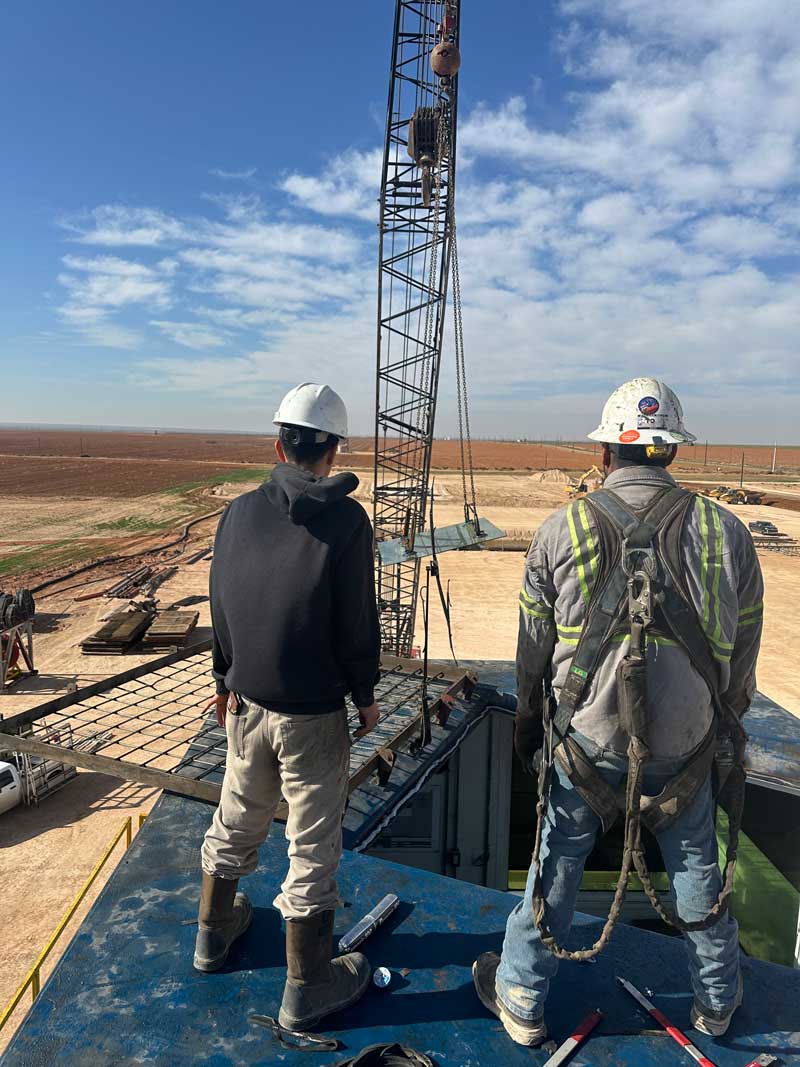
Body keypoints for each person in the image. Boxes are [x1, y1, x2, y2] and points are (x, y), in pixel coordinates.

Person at [473, 378, 763, 1046]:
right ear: (672, 452)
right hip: (688, 747)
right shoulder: (727, 533)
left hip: (586, 746)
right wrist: (724, 723)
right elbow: (744, 648)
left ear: (605, 452)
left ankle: (522, 998)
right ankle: (717, 1002)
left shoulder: (561, 529)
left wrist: (530, 729)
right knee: (696, 869)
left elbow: (532, 652)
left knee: (556, 866)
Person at [194, 382, 382, 1032]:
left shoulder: (237, 513)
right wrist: (365, 694)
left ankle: (212, 934)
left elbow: (220, 602)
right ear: (332, 452)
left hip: (246, 703)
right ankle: (307, 986)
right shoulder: (347, 522)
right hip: (313, 716)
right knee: (312, 845)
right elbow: (357, 620)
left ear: (279, 446)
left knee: (237, 815)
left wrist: (223, 678)